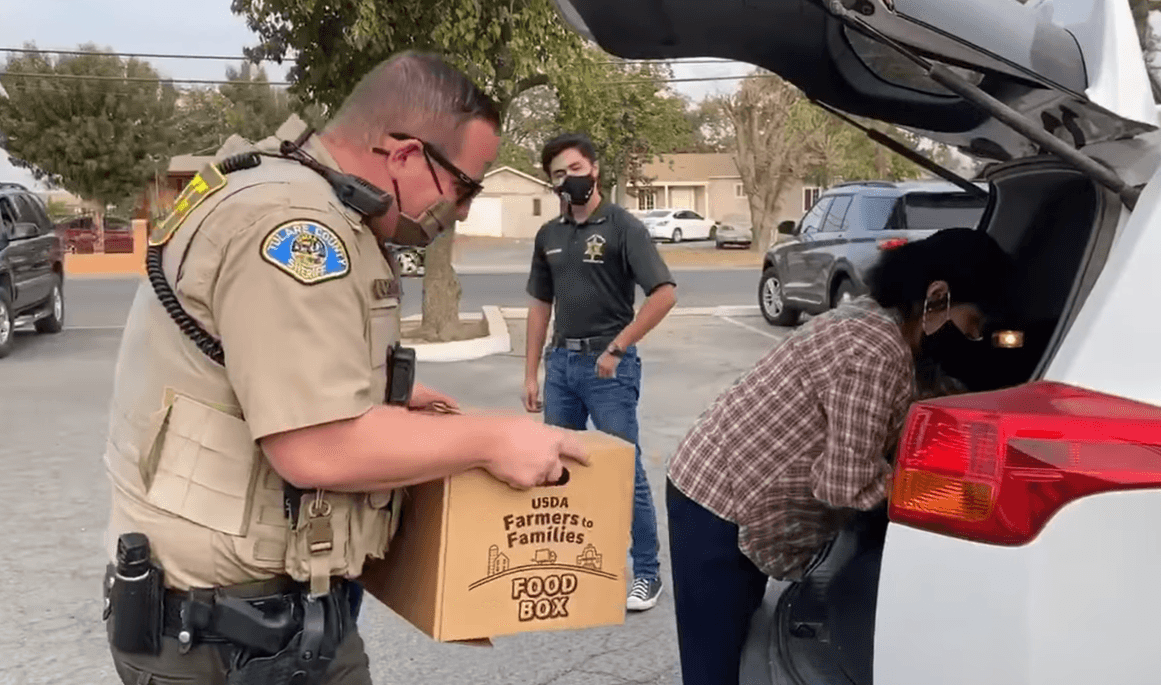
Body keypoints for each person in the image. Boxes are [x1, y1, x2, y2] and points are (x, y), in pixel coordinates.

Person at [100, 51, 588, 685]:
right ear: (408, 155)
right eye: (466, 186)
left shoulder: (284, 188)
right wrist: (496, 439)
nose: (463, 210)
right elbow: (317, 446)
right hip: (231, 637)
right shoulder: (298, 226)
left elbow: (259, 369)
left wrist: (382, 400)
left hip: (254, 616)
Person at [664, 227, 1014, 685]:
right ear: (938, 298)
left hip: (733, 489)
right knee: (715, 665)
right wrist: (944, 494)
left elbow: (919, 397)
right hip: (715, 500)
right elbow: (844, 484)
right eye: (970, 325)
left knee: (736, 647)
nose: (971, 338)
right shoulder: (872, 348)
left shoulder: (887, 326)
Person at [522, 133, 678, 612]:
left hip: (608, 369)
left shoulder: (622, 227)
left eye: (573, 169)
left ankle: (645, 574)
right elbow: (538, 305)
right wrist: (531, 373)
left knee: (623, 471)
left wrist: (618, 347)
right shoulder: (549, 235)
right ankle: (573, 566)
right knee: (559, 469)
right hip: (561, 366)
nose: (567, 180)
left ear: (594, 170)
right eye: (557, 175)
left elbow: (664, 293)